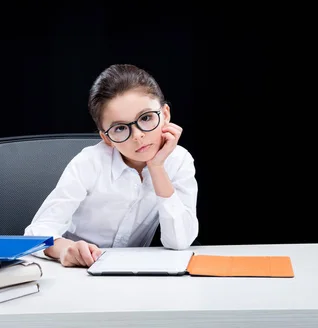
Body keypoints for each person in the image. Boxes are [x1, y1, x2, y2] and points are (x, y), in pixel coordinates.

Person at [24, 64, 199, 267]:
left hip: (134, 274)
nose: (138, 136)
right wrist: (65, 249)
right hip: (78, 272)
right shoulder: (89, 163)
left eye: (146, 118)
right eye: (120, 128)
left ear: (165, 114)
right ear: (106, 138)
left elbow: (180, 241)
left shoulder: (179, 161)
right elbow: (35, 233)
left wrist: (157, 167)